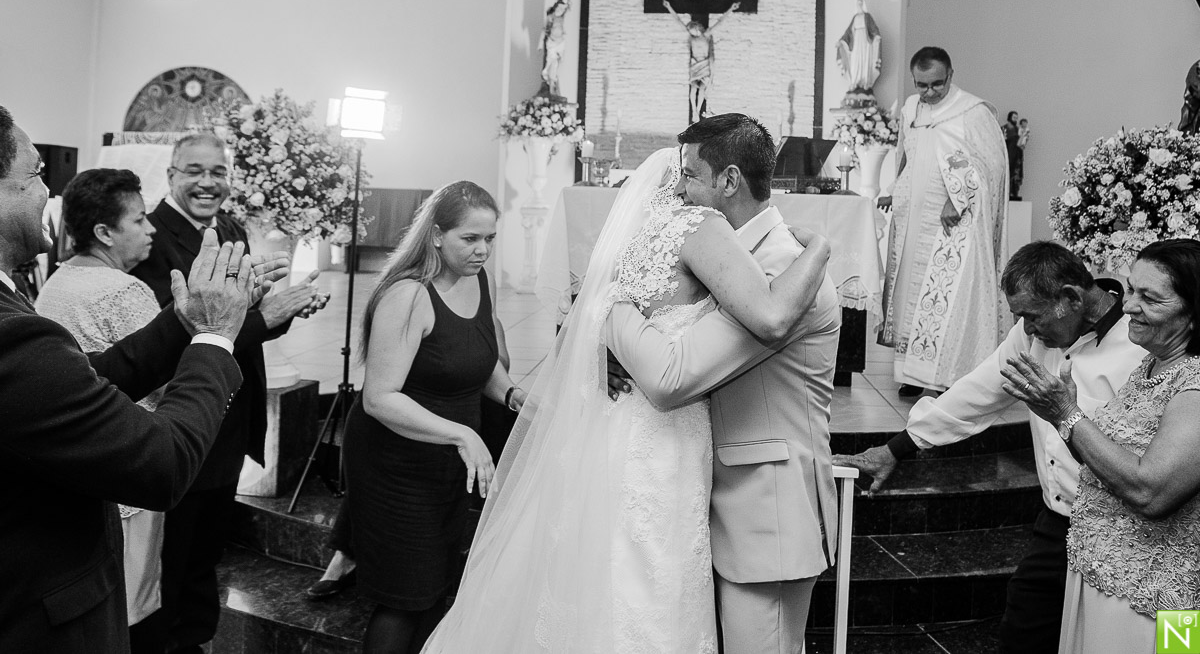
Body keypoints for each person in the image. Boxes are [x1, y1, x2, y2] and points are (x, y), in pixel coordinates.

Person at [422, 114, 836, 653]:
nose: (677, 190)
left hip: (766, 505)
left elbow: (669, 376)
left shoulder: (786, 263)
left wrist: (607, 310)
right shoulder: (726, 253)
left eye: (690, 175)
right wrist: (604, 340)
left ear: (729, 181)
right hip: (708, 488)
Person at [0, 105, 287, 652]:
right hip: (38, 614)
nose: (48, 193)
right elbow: (161, 462)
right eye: (36, 174)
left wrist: (185, 319)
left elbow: (89, 375)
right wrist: (213, 334)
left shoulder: (18, 297)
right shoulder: (12, 332)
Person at [833, 241, 1147, 654]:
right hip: (1060, 523)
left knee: (1145, 641)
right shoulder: (1032, 335)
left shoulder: (1145, 344)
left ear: (1070, 298)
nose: (1027, 330)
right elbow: (978, 391)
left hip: (1134, 534)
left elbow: (1157, 470)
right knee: (1023, 634)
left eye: (1032, 316)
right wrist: (896, 448)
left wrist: (1066, 413)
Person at [128, 132, 325, 653]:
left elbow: (238, 318)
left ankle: (198, 638)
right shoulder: (151, 240)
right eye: (194, 171)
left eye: (217, 172)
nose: (207, 183)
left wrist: (277, 313)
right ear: (171, 175)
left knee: (207, 551)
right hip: (188, 416)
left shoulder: (232, 229)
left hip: (231, 418)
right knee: (176, 553)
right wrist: (263, 319)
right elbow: (180, 335)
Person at [342, 181, 527, 653]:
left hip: (447, 460)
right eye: (470, 239)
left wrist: (512, 397)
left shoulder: (477, 281)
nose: (483, 250)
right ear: (436, 235)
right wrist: (461, 433)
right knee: (405, 598)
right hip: (397, 463)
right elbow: (379, 398)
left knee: (436, 590)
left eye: (490, 238)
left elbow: (475, 363)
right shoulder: (407, 295)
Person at [1008, 239, 1200, 653]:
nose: (1128, 306)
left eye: (1149, 298)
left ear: (1192, 312)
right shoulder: (1151, 366)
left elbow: (1151, 491)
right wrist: (1069, 417)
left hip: (1159, 600)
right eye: (1131, 289)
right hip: (1101, 579)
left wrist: (1066, 415)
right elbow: (1109, 456)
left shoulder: (1196, 385)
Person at [34, 169, 169, 640]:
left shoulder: (59, 279)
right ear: (104, 232)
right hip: (126, 473)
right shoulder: (122, 291)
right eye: (139, 219)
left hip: (76, 472)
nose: (150, 229)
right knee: (135, 608)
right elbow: (164, 383)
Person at [877, 46, 1010, 397]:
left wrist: (959, 197)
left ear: (950, 76)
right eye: (922, 85)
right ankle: (911, 371)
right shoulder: (910, 108)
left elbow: (992, 167)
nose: (929, 92)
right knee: (909, 293)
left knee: (941, 299)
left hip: (952, 224)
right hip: (912, 218)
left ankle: (937, 379)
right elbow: (907, 154)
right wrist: (895, 189)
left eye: (936, 84)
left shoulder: (973, 112)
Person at [664, 0, 740, 122]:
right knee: (693, 88)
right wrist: (669, 7)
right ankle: (694, 110)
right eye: (689, 31)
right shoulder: (691, 37)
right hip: (695, 65)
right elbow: (678, 20)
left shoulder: (706, 35)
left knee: (702, 89)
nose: (690, 32)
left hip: (705, 65)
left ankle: (698, 111)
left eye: (691, 30)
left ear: (695, 28)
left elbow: (720, 22)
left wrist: (731, 9)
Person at [835, 0, 883, 107]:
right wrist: (841, 42)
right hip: (856, 46)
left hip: (866, 46)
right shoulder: (855, 18)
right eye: (858, 3)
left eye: (861, 2)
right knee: (856, 64)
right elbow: (847, 34)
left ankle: (864, 82)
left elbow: (874, 30)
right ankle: (855, 82)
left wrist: (876, 37)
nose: (859, 4)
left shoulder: (867, 17)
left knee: (864, 64)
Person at [540, 0, 570, 97]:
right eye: (559, 8)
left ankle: (553, 82)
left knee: (557, 62)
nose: (561, 10)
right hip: (552, 42)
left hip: (560, 42)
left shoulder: (561, 18)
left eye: (563, 9)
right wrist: (540, 43)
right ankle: (547, 75)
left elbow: (567, 4)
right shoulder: (551, 17)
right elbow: (545, 29)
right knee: (551, 60)